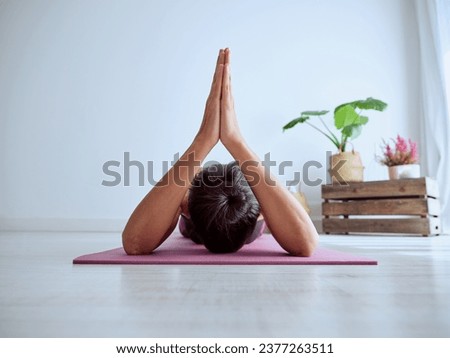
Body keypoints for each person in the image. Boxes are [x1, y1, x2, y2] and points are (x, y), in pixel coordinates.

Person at [122, 48, 318, 256]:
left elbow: (134, 244)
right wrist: (235, 140)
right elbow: (307, 245)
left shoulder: (187, 201)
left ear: (184, 208)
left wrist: (203, 140)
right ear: (262, 213)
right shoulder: (259, 208)